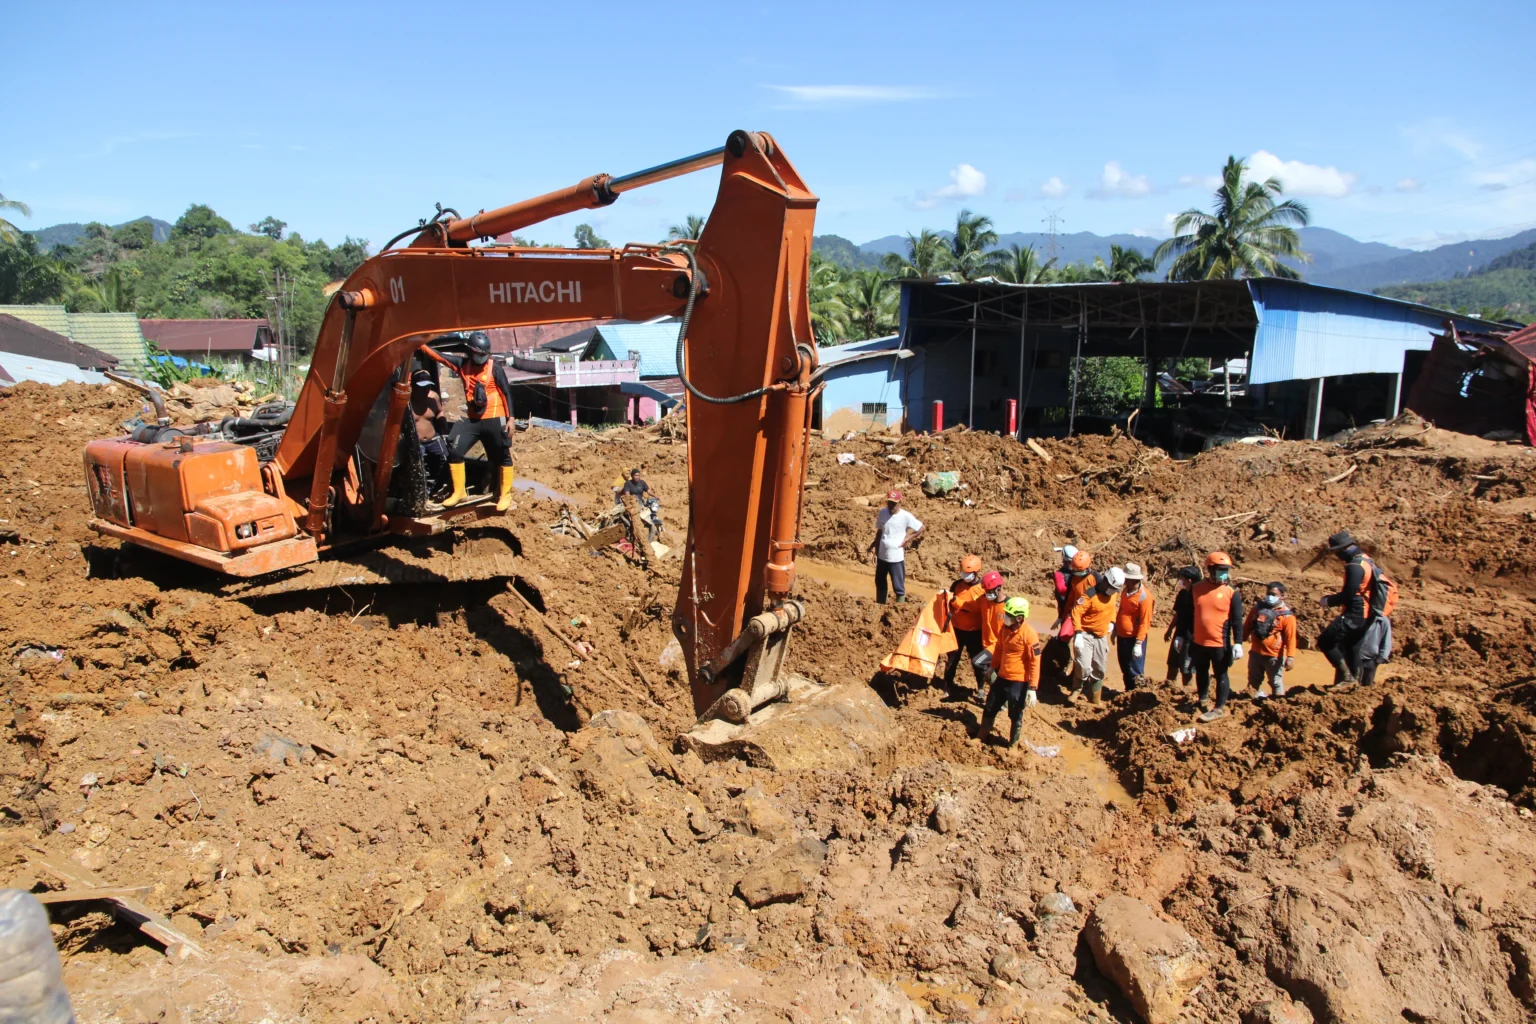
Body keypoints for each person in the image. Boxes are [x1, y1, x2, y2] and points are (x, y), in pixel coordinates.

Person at [416, 331, 517, 511]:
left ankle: (505, 495)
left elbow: (506, 392)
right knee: (454, 449)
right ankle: (459, 492)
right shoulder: (462, 365)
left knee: (503, 455)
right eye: (478, 355)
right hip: (473, 419)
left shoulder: (495, 368)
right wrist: (418, 344)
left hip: (495, 417)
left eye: (484, 354)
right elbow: (439, 356)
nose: (481, 358)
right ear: (470, 352)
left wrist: (511, 418)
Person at [1317, 530, 1377, 691]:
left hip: (1354, 612)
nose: (1337, 556)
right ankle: (1356, 682)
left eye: (1336, 552)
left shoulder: (1354, 566)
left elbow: (1349, 594)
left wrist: (1328, 601)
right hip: (1366, 613)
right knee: (1352, 646)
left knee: (1325, 641)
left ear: (1343, 549)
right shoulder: (1367, 560)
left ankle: (1347, 678)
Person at [977, 597, 1040, 749]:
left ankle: (1013, 744)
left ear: (1019, 617)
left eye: (1008, 615)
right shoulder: (1004, 630)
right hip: (1002, 677)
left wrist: (1032, 689)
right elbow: (998, 649)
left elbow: (1035, 662)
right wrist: (992, 667)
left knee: (1015, 713)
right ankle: (982, 736)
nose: (1005, 616)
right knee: (990, 706)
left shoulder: (1030, 635)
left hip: (1018, 682)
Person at [1191, 552, 1244, 722]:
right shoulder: (1197, 589)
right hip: (1199, 641)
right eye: (1220, 569)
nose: (1224, 573)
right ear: (1210, 570)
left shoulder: (1231, 592)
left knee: (1221, 673)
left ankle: (1219, 707)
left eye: (1226, 570)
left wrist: (1238, 643)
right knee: (1201, 671)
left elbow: (1237, 620)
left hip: (1220, 642)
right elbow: (1189, 613)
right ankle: (1203, 699)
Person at [1069, 566, 1122, 705]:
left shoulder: (1114, 594)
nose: (1112, 591)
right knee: (1084, 665)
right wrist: (1078, 632)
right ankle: (1077, 688)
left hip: (1100, 635)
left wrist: (1112, 621)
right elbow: (1076, 612)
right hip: (1085, 633)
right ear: (1105, 581)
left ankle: (1095, 697)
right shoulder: (1090, 594)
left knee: (1099, 668)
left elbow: (1112, 608)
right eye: (1110, 587)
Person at [1047, 548, 1097, 695]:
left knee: (1083, 646)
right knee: (1064, 638)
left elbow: (1099, 595)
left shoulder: (1091, 577)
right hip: (1068, 611)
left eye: (1072, 563)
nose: (1070, 565)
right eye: (1068, 562)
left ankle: (1080, 676)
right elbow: (1064, 592)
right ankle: (1063, 666)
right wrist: (1061, 616)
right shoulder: (1063, 574)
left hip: (1084, 614)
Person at [942, 555, 988, 698]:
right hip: (957, 630)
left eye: (967, 574)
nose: (964, 576)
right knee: (952, 660)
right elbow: (948, 603)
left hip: (975, 632)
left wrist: (956, 601)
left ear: (976, 573)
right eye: (963, 573)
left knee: (978, 662)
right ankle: (947, 686)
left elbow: (974, 608)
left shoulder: (982, 589)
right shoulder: (957, 585)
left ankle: (981, 687)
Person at [1243, 581, 1297, 699]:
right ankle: (1247, 703)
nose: (1270, 597)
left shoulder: (1287, 616)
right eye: (1268, 593)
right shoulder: (1257, 609)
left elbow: (1290, 638)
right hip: (1255, 653)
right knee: (1253, 680)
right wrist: (1238, 643)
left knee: (1275, 682)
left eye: (1273, 594)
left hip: (1274, 656)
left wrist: (1290, 657)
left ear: (1282, 596)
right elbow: (1247, 626)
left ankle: (1278, 703)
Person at [868, 491, 924, 605]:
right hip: (882, 555)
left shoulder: (905, 516)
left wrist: (908, 539)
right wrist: (875, 550)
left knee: (898, 586)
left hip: (896, 558)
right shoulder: (882, 513)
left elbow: (921, 528)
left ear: (900, 503)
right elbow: (880, 532)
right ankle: (880, 605)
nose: (891, 506)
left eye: (894, 504)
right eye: (889, 503)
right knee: (880, 582)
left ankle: (900, 609)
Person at [1113, 562, 1155, 690]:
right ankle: (1128, 692)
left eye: (1126, 579)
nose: (1124, 581)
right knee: (1125, 667)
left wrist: (1138, 643)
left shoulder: (1145, 597)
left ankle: (1137, 695)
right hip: (1122, 636)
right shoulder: (1125, 591)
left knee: (1135, 670)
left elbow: (1144, 622)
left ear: (1132, 579)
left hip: (1134, 638)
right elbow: (1121, 610)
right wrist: (1116, 629)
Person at [409, 369, 449, 494]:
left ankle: (438, 488)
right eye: (421, 387)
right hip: (416, 441)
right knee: (416, 468)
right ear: (413, 386)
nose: (425, 390)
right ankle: (420, 493)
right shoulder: (406, 402)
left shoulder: (433, 397)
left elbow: (439, 411)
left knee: (447, 460)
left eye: (427, 386)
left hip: (433, 438)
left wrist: (443, 424)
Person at [1163, 566, 1201, 688]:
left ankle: (1187, 692)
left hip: (1191, 637)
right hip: (1178, 633)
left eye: (1182, 579)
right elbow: (1178, 614)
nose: (1181, 581)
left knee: (1187, 668)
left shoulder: (1200, 597)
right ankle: (1168, 689)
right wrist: (1170, 630)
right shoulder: (1182, 594)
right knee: (1172, 664)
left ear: (1189, 580)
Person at [974, 570, 1008, 707]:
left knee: (977, 662)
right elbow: (970, 606)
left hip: (998, 646)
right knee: (995, 673)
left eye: (989, 591)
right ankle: (1001, 698)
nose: (987, 594)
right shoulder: (983, 600)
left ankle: (1002, 695)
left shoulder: (1008, 607)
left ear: (998, 589)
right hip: (987, 644)